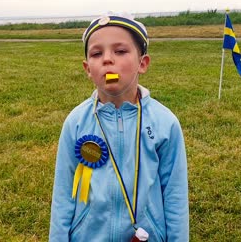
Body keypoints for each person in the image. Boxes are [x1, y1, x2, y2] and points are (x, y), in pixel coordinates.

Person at [49, 13, 189, 241]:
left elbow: (175, 196)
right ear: (87, 68)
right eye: (97, 53)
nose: (107, 59)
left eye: (120, 51)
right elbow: (63, 194)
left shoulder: (165, 123)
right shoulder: (75, 122)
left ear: (142, 63)